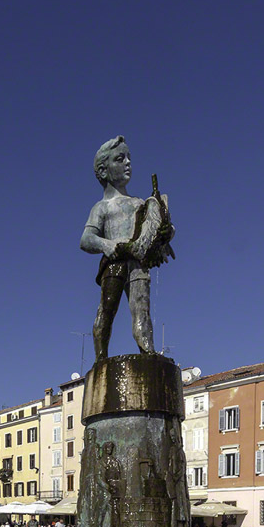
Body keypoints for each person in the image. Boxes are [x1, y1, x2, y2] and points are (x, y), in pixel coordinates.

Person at [80, 136, 174, 361]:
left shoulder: (141, 203)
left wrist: (167, 232)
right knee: (107, 310)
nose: (128, 163)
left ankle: (148, 352)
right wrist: (107, 244)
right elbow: (86, 239)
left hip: (138, 262)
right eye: (120, 159)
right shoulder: (102, 207)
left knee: (141, 309)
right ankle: (100, 358)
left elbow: (158, 228)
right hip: (114, 262)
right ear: (104, 171)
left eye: (129, 158)